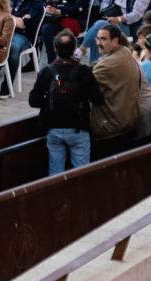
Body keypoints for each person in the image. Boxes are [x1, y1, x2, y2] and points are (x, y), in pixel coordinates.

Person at [28, 30, 105, 175]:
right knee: (81, 173)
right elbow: (98, 99)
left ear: (55, 49)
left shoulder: (47, 71)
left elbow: (33, 101)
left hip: (53, 128)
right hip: (78, 127)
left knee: (55, 173)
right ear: (74, 49)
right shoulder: (84, 71)